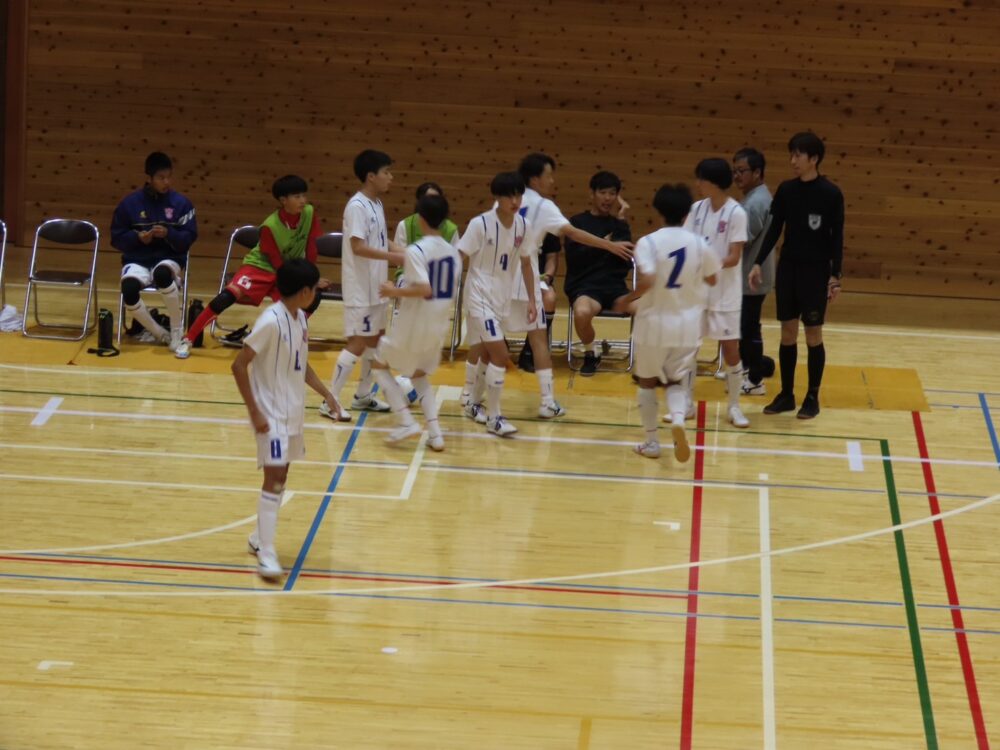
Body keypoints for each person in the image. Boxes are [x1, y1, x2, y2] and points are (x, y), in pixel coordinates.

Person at [483, 152, 633, 417]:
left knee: (486, 342)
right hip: (524, 278)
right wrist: (608, 245)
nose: (552, 181)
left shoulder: (503, 201)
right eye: (549, 176)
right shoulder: (544, 206)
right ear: (535, 179)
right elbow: (573, 233)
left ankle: (472, 397)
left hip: (496, 276)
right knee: (539, 341)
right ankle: (547, 402)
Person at [231, 259, 341, 580]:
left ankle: (258, 537)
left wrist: (327, 394)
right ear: (304, 291)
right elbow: (238, 365)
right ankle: (266, 552)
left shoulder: (300, 319)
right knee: (275, 477)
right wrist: (254, 411)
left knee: (282, 476)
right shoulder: (270, 321)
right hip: (270, 415)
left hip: (293, 413)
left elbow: (300, 365)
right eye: (315, 288)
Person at [618, 184, 720, 460]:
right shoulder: (700, 243)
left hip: (654, 322)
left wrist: (627, 299)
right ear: (687, 212)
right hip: (687, 326)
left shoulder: (648, 242)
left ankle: (652, 442)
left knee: (647, 382)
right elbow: (713, 278)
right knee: (675, 380)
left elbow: (648, 279)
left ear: (658, 211)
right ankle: (677, 417)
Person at [175, 174, 324, 359]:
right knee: (226, 297)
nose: (303, 200)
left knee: (311, 297)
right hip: (261, 266)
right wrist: (299, 280)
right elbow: (276, 262)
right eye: (297, 196)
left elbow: (311, 246)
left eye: (303, 195)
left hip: (288, 268)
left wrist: (311, 279)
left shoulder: (309, 213)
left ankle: (282, 337)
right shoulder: (270, 226)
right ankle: (188, 339)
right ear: (283, 200)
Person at [749, 132, 845, 420]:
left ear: (813, 159)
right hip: (789, 268)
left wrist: (835, 275)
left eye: (798, 155)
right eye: (791, 155)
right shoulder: (787, 190)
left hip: (815, 271)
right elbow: (774, 229)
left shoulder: (831, 194)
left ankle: (812, 396)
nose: (793, 161)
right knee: (787, 333)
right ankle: (787, 395)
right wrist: (757, 262)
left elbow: (837, 237)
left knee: (813, 334)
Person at [320, 149, 407, 421]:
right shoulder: (357, 206)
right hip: (360, 289)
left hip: (377, 287)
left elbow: (380, 241)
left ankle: (362, 395)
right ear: (371, 176)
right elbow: (358, 247)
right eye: (386, 172)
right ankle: (329, 402)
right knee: (358, 343)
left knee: (376, 341)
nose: (391, 177)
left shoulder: (376, 203)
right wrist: (393, 257)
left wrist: (405, 252)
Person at [372, 193, 461, 451]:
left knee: (378, 365)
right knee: (419, 376)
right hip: (438, 325)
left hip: (414, 324)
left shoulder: (416, 250)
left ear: (420, 219)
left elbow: (424, 288)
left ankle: (406, 421)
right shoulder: (453, 253)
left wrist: (393, 291)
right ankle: (435, 435)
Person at [458, 172, 536, 436]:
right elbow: (459, 255)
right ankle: (494, 417)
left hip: (502, 298)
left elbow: (526, 264)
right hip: (478, 295)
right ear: (497, 197)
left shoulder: (523, 225)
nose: (515, 201)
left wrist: (532, 300)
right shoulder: (479, 224)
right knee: (500, 355)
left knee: (486, 352)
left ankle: (472, 402)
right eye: (509, 196)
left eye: (518, 195)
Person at [680, 158, 750, 428]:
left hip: (725, 294)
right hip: (697, 293)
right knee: (689, 348)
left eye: (701, 179)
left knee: (730, 350)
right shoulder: (696, 209)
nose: (697, 184)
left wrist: (706, 264)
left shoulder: (736, 213)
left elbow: (734, 257)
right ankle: (685, 404)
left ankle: (734, 406)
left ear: (714, 182)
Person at [111, 151, 197, 351]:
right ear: (149, 178)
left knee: (162, 275)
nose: (166, 182)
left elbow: (189, 237)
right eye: (161, 178)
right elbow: (116, 238)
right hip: (138, 259)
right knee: (128, 289)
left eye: (169, 177)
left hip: (169, 257)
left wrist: (169, 234)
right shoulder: (129, 204)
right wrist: (137, 238)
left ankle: (177, 331)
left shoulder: (182, 204)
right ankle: (160, 333)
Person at [563, 170, 633, 376]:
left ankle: (649, 358)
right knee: (582, 313)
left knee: (648, 308)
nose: (608, 198)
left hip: (615, 289)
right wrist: (606, 245)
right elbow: (575, 258)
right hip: (586, 287)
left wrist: (621, 222)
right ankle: (591, 352)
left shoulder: (619, 225)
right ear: (592, 194)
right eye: (603, 193)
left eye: (612, 193)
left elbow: (625, 262)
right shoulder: (577, 223)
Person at [733, 147, 775, 395]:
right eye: (735, 171)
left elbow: (741, 240)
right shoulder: (755, 197)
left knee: (749, 327)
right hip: (749, 275)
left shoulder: (755, 203)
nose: (737, 176)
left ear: (757, 172)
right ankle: (748, 368)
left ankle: (756, 379)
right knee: (745, 326)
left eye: (742, 171)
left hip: (751, 277)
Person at [393, 181, 461, 248]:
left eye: (436, 199)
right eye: (429, 199)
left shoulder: (451, 229)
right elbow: (398, 252)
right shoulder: (404, 225)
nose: (433, 203)